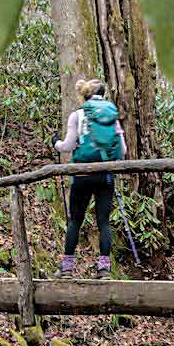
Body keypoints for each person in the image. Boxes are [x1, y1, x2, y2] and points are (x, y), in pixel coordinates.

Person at [51, 79, 126, 279]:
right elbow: (123, 150)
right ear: (103, 95)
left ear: (85, 95)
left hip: (82, 174)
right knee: (104, 222)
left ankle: (66, 268)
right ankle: (104, 269)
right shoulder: (111, 116)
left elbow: (67, 145)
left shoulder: (77, 115)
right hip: (105, 174)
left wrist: (55, 143)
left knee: (75, 221)